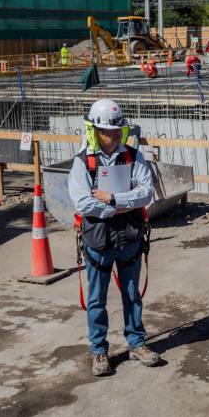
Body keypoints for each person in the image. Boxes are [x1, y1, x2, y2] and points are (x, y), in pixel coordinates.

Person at [67, 98, 158, 377]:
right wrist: (122, 206)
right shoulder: (83, 163)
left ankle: (137, 343)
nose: (117, 135)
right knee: (97, 298)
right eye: (110, 131)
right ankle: (99, 350)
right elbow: (83, 203)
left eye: (119, 130)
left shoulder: (134, 157)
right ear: (96, 130)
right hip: (99, 239)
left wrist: (113, 198)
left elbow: (147, 192)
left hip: (129, 236)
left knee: (132, 294)